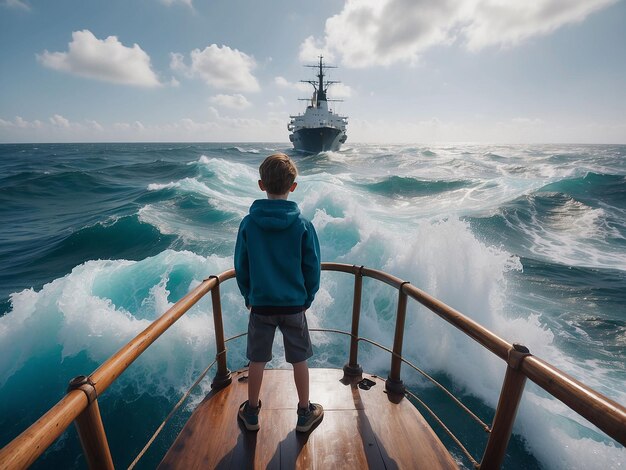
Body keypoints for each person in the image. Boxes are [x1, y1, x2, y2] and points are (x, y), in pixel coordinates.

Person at [234, 153, 323, 433]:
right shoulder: (303, 225)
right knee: (299, 360)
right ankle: (304, 413)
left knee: (257, 359)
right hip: (294, 306)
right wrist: (306, 299)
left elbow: (241, 265)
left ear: (262, 185)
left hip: (260, 305)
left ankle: (251, 413)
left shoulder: (248, 224)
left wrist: (249, 295)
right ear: (293, 186)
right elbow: (313, 268)